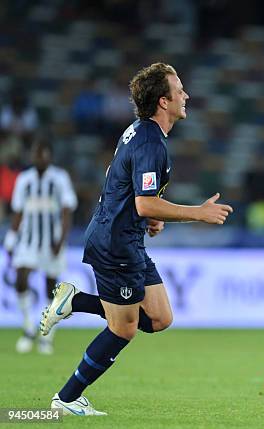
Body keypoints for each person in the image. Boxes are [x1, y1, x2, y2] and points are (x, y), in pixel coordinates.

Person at [41, 63, 233, 416]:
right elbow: (144, 202)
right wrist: (197, 213)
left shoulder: (139, 132)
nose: (186, 95)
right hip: (115, 243)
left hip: (127, 238)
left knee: (159, 319)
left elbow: (118, 177)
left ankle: (77, 301)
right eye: (179, 90)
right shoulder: (149, 142)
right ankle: (66, 399)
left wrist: (152, 216)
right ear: (164, 101)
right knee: (124, 329)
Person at [2, 141, 77, 354]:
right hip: (28, 240)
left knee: (50, 287)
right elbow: (18, 211)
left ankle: (46, 335)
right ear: (32, 157)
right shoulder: (25, 179)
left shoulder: (59, 178)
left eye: (43, 155)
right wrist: (10, 238)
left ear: (50, 157)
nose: (39, 158)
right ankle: (27, 328)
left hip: (51, 240)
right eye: (36, 155)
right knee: (20, 279)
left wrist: (60, 240)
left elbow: (66, 211)